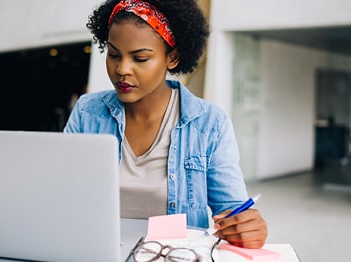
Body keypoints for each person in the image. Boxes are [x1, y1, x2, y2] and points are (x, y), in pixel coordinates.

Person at [63, 0, 267, 248]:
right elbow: (63, 192)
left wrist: (246, 227)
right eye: (114, 55)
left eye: (140, 58)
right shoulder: (87, 112)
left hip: (172, 254)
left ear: (172, 58)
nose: (122, 69)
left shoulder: (210, 124)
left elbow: (233, 214)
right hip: (96, 251)